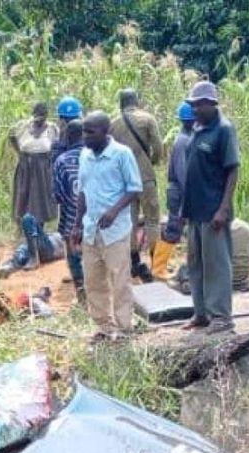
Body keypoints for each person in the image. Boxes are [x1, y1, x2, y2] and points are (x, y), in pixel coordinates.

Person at [166, 83, 240, 334]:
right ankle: (201, 313)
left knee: (216, 264)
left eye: (199, 104)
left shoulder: (224, 130)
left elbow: (232, 170)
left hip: (213, 210)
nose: (194, 108)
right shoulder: (197, 128)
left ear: (212, 104)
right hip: (195, 209)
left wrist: (223, 208)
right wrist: (184, 210)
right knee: (195, 264)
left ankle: (221, 316)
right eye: (192, 104)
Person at [71, 111, 142, 342]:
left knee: (120, 280)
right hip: (91, 229)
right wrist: (77, 225)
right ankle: (104, 327)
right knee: (93, 280)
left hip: (116, 230)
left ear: (105, 131)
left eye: (90, 132)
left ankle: (124, 328)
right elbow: (82, 192)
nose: (85, 136)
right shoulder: (84, 156)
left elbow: (134, 188)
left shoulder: (122, 154)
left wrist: (113, 211)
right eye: (83, 131)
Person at [111, 89, 168, 279]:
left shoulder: (114, 124)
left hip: (124, 181)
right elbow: (158, 148)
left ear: (121, 103)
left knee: (130, 221)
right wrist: (150, 162)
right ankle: (156, 262)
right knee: (152, 219)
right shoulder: (147, 119)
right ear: (137, 100)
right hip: (145, 175)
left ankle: (133, 261)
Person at [9, 102, 59, 231]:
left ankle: (39, 230)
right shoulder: (24, 127)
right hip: (26, 168)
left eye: (43, 115)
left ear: (47, 115)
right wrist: (20, 154)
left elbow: (56, 145)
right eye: (38, 114)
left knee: (41, 199)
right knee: (24, 197)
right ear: (33, 114)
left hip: (43, 170)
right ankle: (24, 230)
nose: (40, 118)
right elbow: (11, 135)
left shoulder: (52, 129)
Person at [52, 118, 86, 289]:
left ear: (68, 136)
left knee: (73, 252)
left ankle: (79, 284)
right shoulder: (95, 155)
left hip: (70, 218)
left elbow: (57, 195)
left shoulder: (61, 160)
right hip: (95, 218)